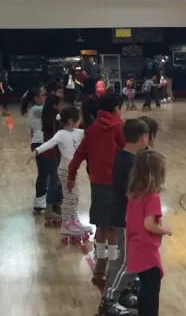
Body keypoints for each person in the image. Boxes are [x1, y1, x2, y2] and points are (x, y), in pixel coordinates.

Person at [68, 93, 125, 286]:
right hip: (115, 184)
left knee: (101, 225)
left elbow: (79, 154)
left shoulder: (91, 129)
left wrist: (71, 175)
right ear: (116, 107)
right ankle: (113, 267)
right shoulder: (118, 127)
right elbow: (128, 151)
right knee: (113, 228)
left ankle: (100, 268)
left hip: (97, 183)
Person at [98, 119, 150, 316]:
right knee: (126, 260)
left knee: (129, 258)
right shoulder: (130, 162)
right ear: (142, 137)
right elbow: (131, 193)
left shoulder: (123, 156)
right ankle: (108, 301)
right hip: (124, 217)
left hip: (122, 214)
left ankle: (123, 292)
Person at [31, 106, 92, 240]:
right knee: (70, 197)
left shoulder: (79, 132)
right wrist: (36, 151)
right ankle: (66, 224)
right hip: (65, 170)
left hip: (73, 170)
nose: (80, 121)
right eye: (78, 119)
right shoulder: (61, 134)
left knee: (74, 197)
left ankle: (74, 221)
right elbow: (49, 143)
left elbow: (92, 135)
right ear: (71, 121)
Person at [126, 150, 171, 316]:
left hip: (135, 246)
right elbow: (149, 225)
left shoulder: (133, 193)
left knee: (145, 286)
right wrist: (165, 230)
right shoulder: (152, 197)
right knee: (151, 290)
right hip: (146, 249)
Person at [21, 86, 48, 214]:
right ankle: (39, 202)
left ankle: (43, 199)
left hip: (39, 142)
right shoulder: (38, 109)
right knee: (43, 173)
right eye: (43, 95)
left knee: (45, 173)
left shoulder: (35, 109)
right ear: (36, 97)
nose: (45, 97)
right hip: (39, 143)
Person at [41, 82, 65, 225]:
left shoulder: (49, 119)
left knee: (55, 181)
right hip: (53, 155)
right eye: (59, 104)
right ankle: (49, 208)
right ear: (55, 106)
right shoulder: (53, 121)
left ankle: (55, 205)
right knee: (53, 182)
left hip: (52, 154)